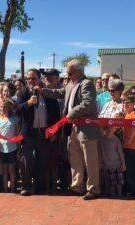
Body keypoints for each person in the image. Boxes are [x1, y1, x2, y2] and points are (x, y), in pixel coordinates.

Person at [39, 59, 100, 200]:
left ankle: (94, 189)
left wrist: (70, 114)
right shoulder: (70, 84)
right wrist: (42, 91)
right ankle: (77, 187)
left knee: (90, 160)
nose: (67, 75)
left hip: (87, 128)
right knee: (75, 158)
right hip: (73, 128)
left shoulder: (87, 84)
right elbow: (59, 92)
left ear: (79, 71)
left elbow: (88, 103)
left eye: (69, 73)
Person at [15, 68, 60, 196]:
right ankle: (26, 186)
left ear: (39, 79)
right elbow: (16, 110)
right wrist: (28, 103)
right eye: (28, 78)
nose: (30, 80)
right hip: (29, 133)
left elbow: (56, 114)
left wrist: (54, 132)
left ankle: (40, 188)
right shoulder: (23, 94)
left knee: (42, 160)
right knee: (27, 160)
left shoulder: (47, 93)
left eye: (33, 78)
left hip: (45, 132)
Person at [0, 99, 18, 193]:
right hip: (2, 149)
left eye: (5, 107)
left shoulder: (14, 119)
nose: (3, 109)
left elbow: (17, 134)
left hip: (13, 148)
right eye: (1, 107)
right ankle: (5, 190)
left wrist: (19, 149)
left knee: (12, 170)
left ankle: (12, 189)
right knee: (4, 170)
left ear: (9, 108)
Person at [122, 94, 135, 197]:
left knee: (132, 172)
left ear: (133, 104)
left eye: (128, 103)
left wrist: (129, 140)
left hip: (132, 147)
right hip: (127, 147)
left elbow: (134, 127)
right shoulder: (127, 114)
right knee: (129, 172)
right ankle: (132, 191)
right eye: (124, 102)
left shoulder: (133, 113)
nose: (125, 104)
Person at [100, 126, 126, 196]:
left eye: (111, 127)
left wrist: (123, 164)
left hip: (117, 165)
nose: (109, 129)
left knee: (119, 183)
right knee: (111, 183)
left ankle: (119, 194)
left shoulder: (116, 140)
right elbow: (101, 152)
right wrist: (102, 163)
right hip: (107, 165)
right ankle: (112, 195)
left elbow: (120, 152)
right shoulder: (102, 140)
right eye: (108, 127)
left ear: (115, 129)